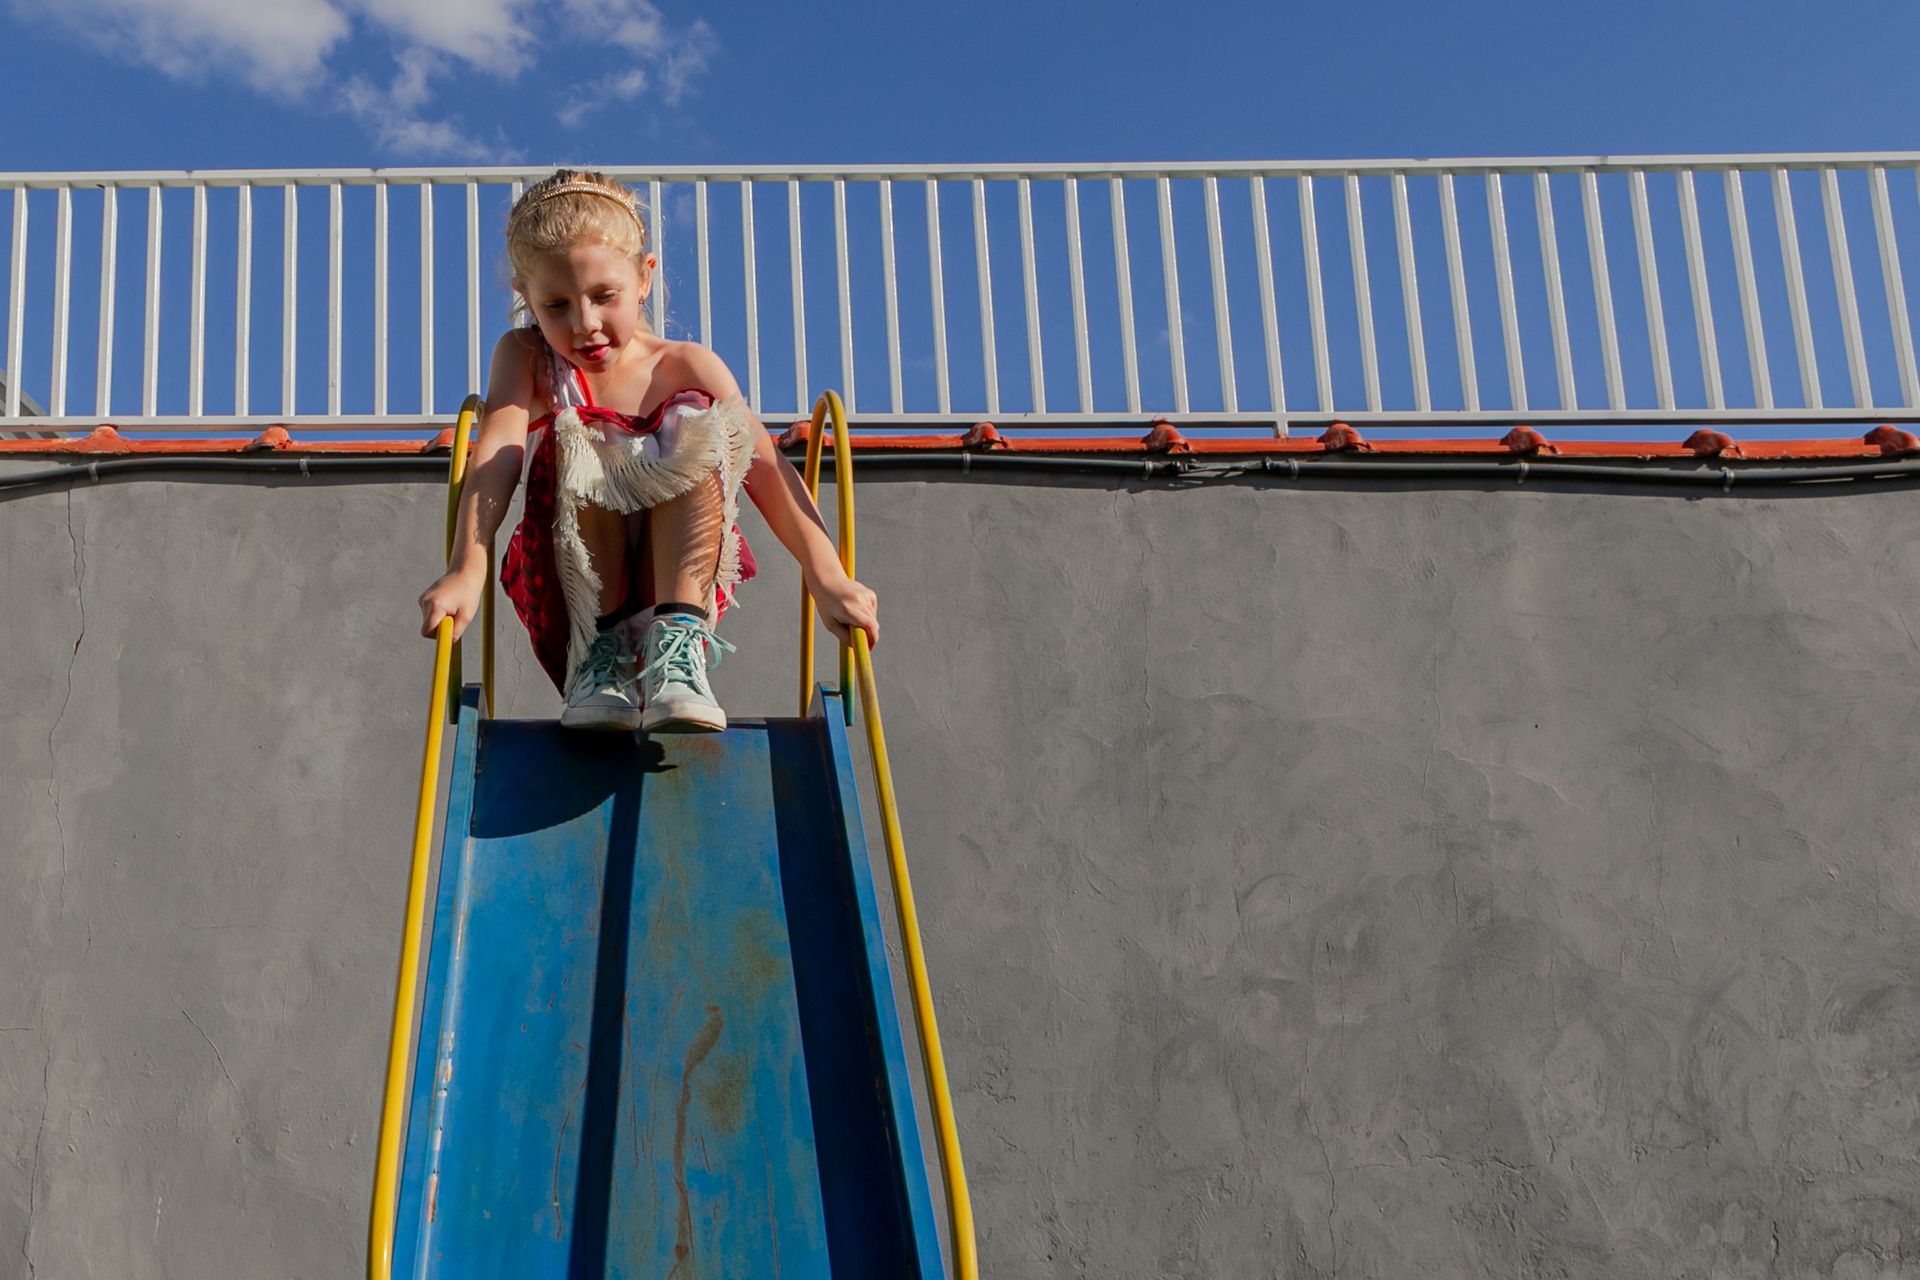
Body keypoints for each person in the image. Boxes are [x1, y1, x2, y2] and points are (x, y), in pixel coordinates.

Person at [417, 169, 877, 732]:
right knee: (578, 433)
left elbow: (765, 467)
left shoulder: (686, 364)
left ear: (644, 277)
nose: (585, 324)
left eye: (604, 296)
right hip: (580, 581)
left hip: (678, 568)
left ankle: (677, 648)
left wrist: (826, 576)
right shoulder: (527, 357)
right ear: (527, 298)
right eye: (556, 305)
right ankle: (601, 659)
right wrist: (467, 568)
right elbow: (498, 454)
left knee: (702, 424)